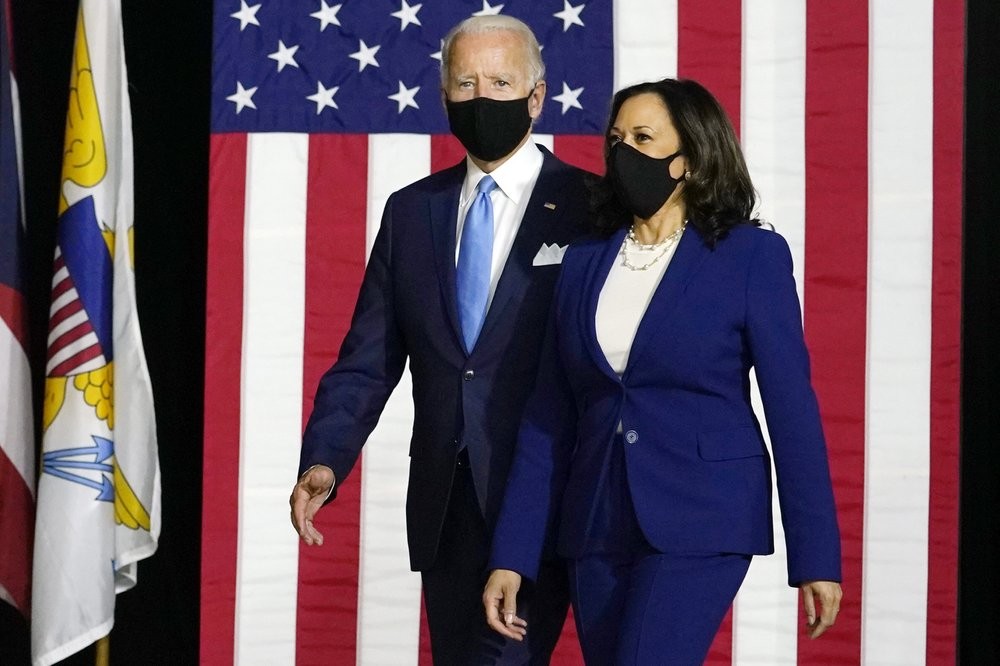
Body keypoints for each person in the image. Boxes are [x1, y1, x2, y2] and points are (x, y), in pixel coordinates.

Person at [482, 78, 843, 664]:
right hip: (596, 522)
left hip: (702, 517)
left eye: (644, 138)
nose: (623, 152)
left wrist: (817, 557)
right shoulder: (582, 262)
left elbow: (791, 411)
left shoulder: (751, 256)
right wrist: (513, 554)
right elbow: (549, 417)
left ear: (692, 159)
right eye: (617, 138)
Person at [289, 14, 591, 665]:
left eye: (502, 81)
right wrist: (325, 459)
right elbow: (366, 362)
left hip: (549, 502)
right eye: (466, 82)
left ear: (537, 98)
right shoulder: (410, 213)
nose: (483, 97)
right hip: (447, 508)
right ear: (444, 95)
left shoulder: (590, 208)